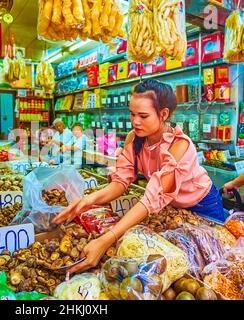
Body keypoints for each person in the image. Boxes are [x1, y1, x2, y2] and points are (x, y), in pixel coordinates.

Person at [52, 79, 225, 274]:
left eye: (143, 115)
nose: (135, 121)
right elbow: (120, 182)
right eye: (132, 114)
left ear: (163, 114)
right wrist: (87, 201)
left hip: (204, 206)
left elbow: (152, 198)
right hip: (173, 208)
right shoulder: (134, 139)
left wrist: (108, 238)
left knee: (213, 261)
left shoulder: (180, 145)